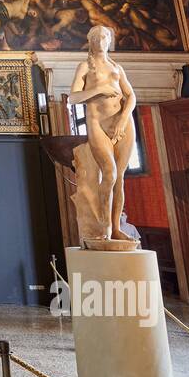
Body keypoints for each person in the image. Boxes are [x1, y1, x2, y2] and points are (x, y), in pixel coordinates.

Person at [68, 25, 137, 241]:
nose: (100, 41)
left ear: (109, 41)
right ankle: (104, 227)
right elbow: (73, 98)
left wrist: (124, 117)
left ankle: (116, 228)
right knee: (110, 173)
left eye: (104, 37)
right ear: (90, 41)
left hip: (122, 123)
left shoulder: (117, 67)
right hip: (97, 123)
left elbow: (131, 96)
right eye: (95, 38)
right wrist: (99, 90)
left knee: (121, 179)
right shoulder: (85, 67)